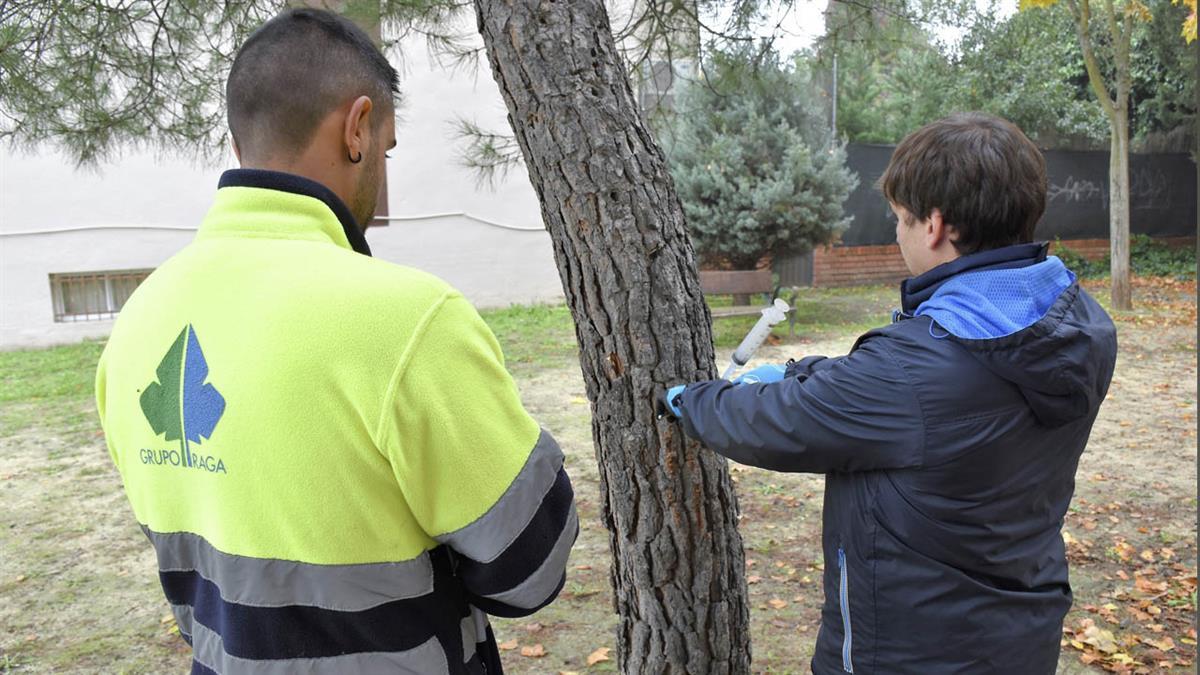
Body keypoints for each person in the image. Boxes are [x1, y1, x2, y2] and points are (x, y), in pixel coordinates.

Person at [95, 9, 577, 674]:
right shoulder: (408, 319)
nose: (382, 171)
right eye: (387, 147)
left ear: (243, 143)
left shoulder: (137, 322)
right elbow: (529, 569)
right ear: (356, 129)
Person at [663, 113, 1117, 674]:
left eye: (901, 219)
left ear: (935, 226)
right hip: (1019, 634)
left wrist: (696, 402)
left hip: (906, 652)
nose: (897, 233)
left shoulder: (918, 367)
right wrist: (800, 369)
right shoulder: (1069, 325)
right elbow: (924, 397)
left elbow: (784, 421)